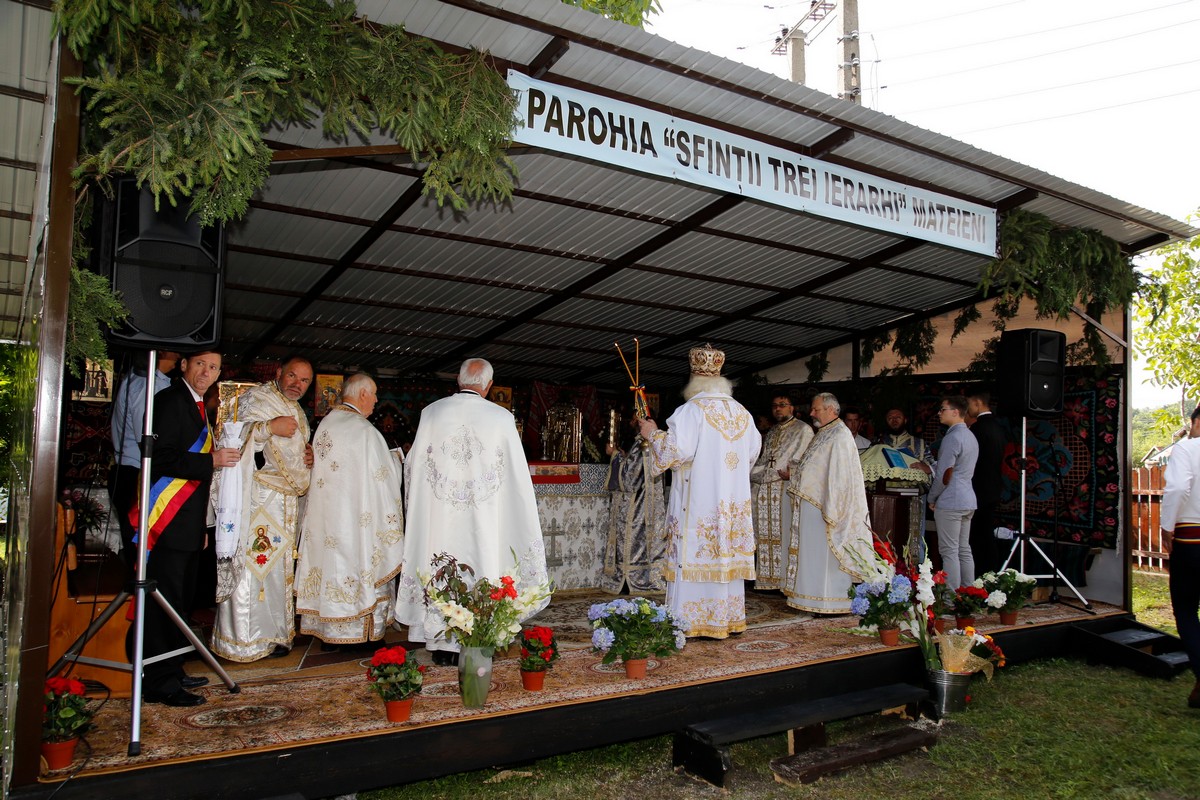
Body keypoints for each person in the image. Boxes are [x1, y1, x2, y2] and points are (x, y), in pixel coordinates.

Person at [395, 358, 549, 665]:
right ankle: (479, 642)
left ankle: (440, 646)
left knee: (439, 570)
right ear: (489, 386)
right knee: (485, 566)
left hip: (439, 518)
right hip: (484, 521)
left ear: (458, 379)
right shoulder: (501, 417)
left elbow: (412, 470)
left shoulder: (431, 413)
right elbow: (517, 478)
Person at [136, 349, 240, 707]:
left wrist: (203, 523)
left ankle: (173, 667)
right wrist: (211, 459)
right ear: (184, 365)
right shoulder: (169, 400)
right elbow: (161, 457)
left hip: (188, 521)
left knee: (179, 601)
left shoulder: (196, 404)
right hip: (166, 521)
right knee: (162, 602)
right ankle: (158, 682)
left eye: (213, 367)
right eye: (199, 364)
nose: (205, 372)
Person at [637, 344, 760, 638]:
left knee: (696, 553)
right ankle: (726, 620)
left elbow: (675, 452)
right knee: (726, 559)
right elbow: (753, 453)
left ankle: (691, 622)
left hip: (699, 505)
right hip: (731, 506)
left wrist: (651, 433)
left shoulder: (691, 410)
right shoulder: (743, 413)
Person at [210, 357, 314, 662]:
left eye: (305, 380)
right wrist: (268, 427)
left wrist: (308, 457)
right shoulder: (257, 399)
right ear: (279, 373)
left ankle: (276, 635)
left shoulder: (296, 409)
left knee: (277, 571)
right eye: (292, 376)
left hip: (284, 502)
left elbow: (294, 450)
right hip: (258, 499)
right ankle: (244, 639)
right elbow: (234, 438)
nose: (297, 384)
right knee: (253, 567)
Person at [295, 373, 404, 649]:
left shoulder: (326, 424)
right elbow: (383, 478)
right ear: (363, 394)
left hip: (329, 521)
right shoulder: (364, 431)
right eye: (375, 393)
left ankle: (330, 634)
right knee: (360, 566)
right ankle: (362, 635)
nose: (377, 400)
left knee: (331, 567)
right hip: (357, 524)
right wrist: (400, 459)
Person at [783, 392, 873, 614]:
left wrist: (830, 502)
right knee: (812, 554)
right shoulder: (825, 433)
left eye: (816, 409)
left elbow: (838, 476)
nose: (812, 413)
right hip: (813, 503)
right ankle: (810, 598)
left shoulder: (840, 435)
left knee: (825, 556)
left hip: (825, 505)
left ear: (831, 409)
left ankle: (829, 601)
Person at [109, 350, 180, 571]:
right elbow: (149, 438)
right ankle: (142, 603)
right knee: (143, 553)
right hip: (138, 474)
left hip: (141, 472)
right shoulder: (144, 386)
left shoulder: (150, 381)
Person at [750, 393, 812, 590]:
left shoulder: (803, 430)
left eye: (783, 405)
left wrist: (790, 473)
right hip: (766, 491)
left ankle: (786, 581)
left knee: (785, 535)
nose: (778, 409)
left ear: (792, 408)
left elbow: (806, 460)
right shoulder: (773, 431)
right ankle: (768, 581)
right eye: (775, 405)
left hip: (786, 489)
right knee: (767, 536)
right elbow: (765, 459)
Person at [600, 416, 667, 595]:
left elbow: (629, 480)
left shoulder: (642, 444)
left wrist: (614, 456)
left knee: (634, 539)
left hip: (636, 506)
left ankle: (634, 580)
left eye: (636, 420)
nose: (632, 423)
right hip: (650, 503)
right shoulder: (658, 442)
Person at [1160, 405, 1200, 709]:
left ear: (1195, 423)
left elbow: (1176, 487)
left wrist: (1166, 526)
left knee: (1186, 609)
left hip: (1192, 537)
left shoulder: (1187, 447)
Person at [928, 395, 979, 590]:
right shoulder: (970, 436)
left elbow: (944, 475)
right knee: (964, 550)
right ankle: (969, 593)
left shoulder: (952, 437)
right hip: (967, 498)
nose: (940, 413)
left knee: (949, 551)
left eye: (943, 409)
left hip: (951, 499)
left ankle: (951, 599)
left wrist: (932, 497)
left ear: (955, 412)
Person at [967, 391, 1006, 575]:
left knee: (977, 538)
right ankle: (991, 575)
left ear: (976, 402)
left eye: (969, 404)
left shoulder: (977, 429)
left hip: (978, 490)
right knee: (987, 535)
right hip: (993, 488)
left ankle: (981, 576)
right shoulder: (998, 427)